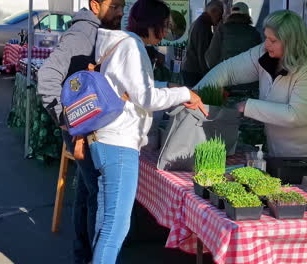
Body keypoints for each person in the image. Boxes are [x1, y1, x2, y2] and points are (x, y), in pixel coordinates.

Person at [90, 0, 204, 263]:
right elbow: (146, 97)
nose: (164, 33)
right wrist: (184, 92)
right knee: (115, 229)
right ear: (150, 24)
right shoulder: (132, 46)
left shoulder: (120, 42)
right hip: (119, 144)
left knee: (105, 222)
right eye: (162, 26)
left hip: (105, 139)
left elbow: (131, 88)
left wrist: (169, 85)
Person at [37, 1, 124, 263]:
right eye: (115, 5)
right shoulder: (82, 34)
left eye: (123, 5)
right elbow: (47, 76)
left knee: (88, 192)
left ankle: (83, 254)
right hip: (82, 132)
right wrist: (67, 120)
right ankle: (91, 256)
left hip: (89, 131)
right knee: (96, 193)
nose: (120, 12)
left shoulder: (97, 31)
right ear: (95, 5)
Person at [194, 10, 307, 157]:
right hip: (281, 153)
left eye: (273, 40)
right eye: (266, 37)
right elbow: (228, 70)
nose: (266, 44)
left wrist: (248, 106)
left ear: (291, 42)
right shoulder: (265, 51)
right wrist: (195, 94)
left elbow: (297, 115)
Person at [205, 2, 261, 69]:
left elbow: (211, 59)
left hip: (226, 75)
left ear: (231, 15)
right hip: (248, 75)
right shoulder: (254, 32)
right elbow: (259, 57)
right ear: (247, 15)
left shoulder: (222, 30)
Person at [181, 0, 224, 87]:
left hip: (190, 68)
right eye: (220, 14)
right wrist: (208, 75)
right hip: (194, 71)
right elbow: (202, 53)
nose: (220, 18)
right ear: (213, 11)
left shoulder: (198, 22)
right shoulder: (203, 26)